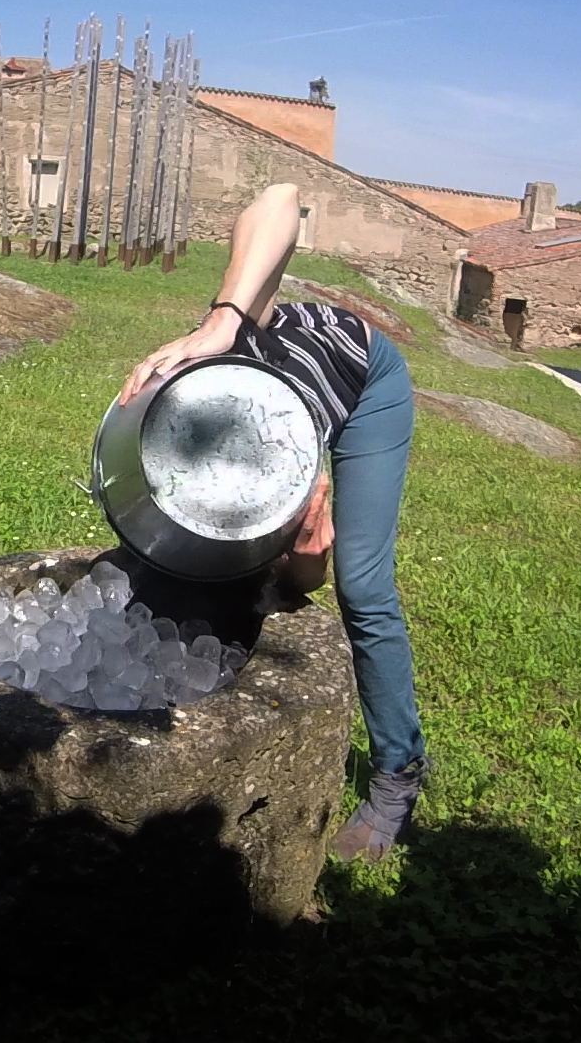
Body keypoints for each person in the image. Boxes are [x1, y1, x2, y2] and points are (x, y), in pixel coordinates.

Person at [119, 183, 429, 862]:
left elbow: (282, 195)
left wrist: (225, 318)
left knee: (363, 588)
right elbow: (287, 581)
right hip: (274, 483)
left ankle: (398, 772)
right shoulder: (201, 484)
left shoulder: (238, 342)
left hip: (368, 378)